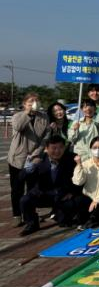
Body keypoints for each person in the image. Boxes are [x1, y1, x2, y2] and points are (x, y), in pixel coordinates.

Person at [20, 135, 80, 235]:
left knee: (64, 222)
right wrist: (30, 167)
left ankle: (61, 214)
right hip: (43, 194)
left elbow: (80, 179)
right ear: (46, 149)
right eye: (54, 148)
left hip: (62, 195)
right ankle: (32, 223)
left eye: (60, 148)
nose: (57, 151)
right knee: (25, 200)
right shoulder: (39, 159)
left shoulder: (72, 158)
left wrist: (72, 193)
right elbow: (21, 177)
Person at [8, 93, 49, 226]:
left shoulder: (43, 117)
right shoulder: (18, 116)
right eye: (30, 101)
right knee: (17, 188)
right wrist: (27, 113)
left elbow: (46, 137)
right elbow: (18, 127)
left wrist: (36, 153)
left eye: (36, 101)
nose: (34, 103)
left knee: (32, 188)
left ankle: (30, 213)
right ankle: (17, 215)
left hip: (35, 157)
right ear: (24, 104)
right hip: (18, 157)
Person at [72, 136, 99, 229]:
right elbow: (78, 182)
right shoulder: (86, 163)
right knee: (78, 201)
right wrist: (79, 165)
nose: (97, 150)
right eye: (95, 147)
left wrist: (97, 200)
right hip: (88, 197)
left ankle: (95, 219)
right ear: (91, 149)